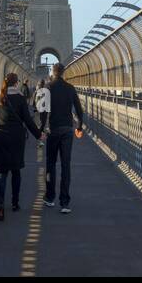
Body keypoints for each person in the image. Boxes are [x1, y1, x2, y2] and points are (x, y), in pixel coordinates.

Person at [0, 72, 44, 221]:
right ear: (16, 83)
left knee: (2, 172)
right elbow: (28, 120)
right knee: (16, 171)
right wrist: (39, 135)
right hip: (16, 140)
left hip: (0, 138)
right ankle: (15, 203)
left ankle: (0, 205)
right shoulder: (20, 99)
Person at [43, 63, 84, 214]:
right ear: (64, 72)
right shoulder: (70, 88)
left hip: (53, 130)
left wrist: (41, 129)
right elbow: (79, 110)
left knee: (51, 164)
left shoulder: (47, 87)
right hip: (67, 130)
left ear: (52, 72)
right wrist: (79, 127)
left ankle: (49, 197)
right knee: (66, 165)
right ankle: (65, 202)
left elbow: (41, 111)